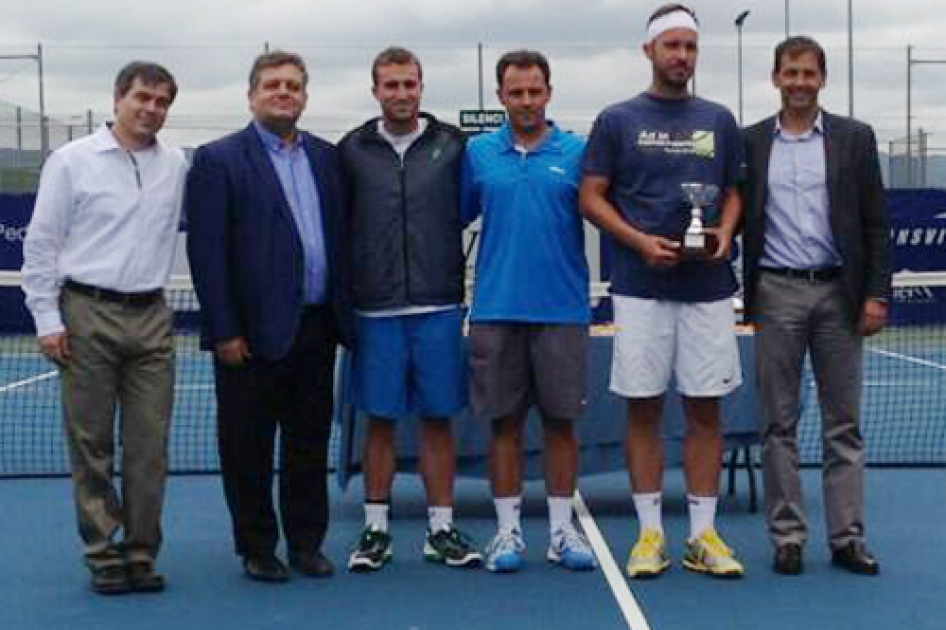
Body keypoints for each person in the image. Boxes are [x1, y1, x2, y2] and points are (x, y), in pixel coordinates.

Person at [579, 3, 745, 579]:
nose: (681, 56)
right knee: (644, 409)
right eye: (671, 46)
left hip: (709, 290)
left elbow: (733, 193)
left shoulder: (720, 120)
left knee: (705, 411)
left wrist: (724, 229)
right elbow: (591, 197)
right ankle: (651, 535)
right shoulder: (617, 120)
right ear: (649, 50)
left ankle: (702, 536)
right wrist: (639, 242)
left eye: (690, 47)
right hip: (640, 288)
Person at [21, 62, 186, 595]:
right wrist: (47, 319)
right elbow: (42, 243)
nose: (151, 109)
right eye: (143, 97)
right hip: (85, 314)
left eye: (162, 102)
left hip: (153, 317)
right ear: (118, 98)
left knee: (149, 447)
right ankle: (101, 550)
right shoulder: (70, 162)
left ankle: (141, 551)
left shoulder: (177, 164)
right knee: (91, 444)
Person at [185, 51, 350, 583]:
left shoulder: (327, 158)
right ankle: (257, 547)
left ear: (305, 96)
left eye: (294, 85)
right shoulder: (218, 160)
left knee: (308, 443)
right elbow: (208, 255)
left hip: (317, 327)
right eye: (274, 84)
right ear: (252, 95)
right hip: (250, 337)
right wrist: (225, 329)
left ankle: (306, 543)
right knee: (247, 447)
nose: (285, 92)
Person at [741, 36, 891, 576]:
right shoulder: (751, 142)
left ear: (822, 79)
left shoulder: (855, 139)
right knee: (777, 423)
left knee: (843, 423)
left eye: (809, 74)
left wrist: (876, 293)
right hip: (775, 292)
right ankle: (787, 537)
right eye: (791, 73)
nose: (800, 82)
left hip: (839, 294)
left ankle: (847, 538)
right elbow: (733, 214)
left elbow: (876, 223)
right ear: (776, 78)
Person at [340, 46, 481, 572]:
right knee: (378, 421)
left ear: (422, 87)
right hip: (374, 310)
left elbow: (467, 208)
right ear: (374, 89)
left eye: (409, 84)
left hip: (439, 305)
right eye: (390, 85)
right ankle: (376, 531)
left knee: (437, 419)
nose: (401, 93)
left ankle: (440, 530)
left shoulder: (453, 146)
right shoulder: (351, 150)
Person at [461, 50, 596, 573]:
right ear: (500, 97)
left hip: (562, 311)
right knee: (503, 427)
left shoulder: (578, 152)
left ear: (548, 92)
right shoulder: (477, 153)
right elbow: (457, 213)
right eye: (515, 92)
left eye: (534, 91)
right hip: (496, 309)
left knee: (562, 426)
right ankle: (507, 531)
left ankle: (562, 532)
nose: (525, 100)